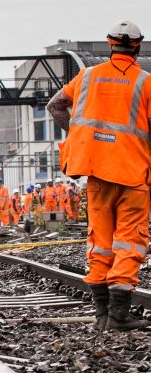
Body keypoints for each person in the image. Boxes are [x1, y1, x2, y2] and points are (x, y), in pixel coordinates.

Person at [48, 20, 151, 331]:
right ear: (138, 45)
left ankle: (101, 316)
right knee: (129, 240)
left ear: (109, 43)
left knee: (101, 241)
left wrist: (79, 135)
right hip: (133, 173)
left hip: (97, 172)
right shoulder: (146, 83)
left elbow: (56, 106)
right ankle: (119, 315)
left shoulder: (88, 76)